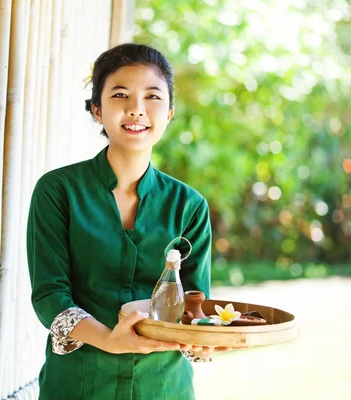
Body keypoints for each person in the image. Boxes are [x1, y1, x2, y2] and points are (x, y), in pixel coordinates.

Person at [27, 43, 230, 400]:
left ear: (169, 113)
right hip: (79, 385)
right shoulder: (58, 191)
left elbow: (195, 304)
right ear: (96, 110)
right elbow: (49, 296)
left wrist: (204, 343)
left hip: (164, 387)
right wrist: (108, 339)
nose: (136, 109)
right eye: (120, 94)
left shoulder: (190, 206)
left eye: (152, 96)